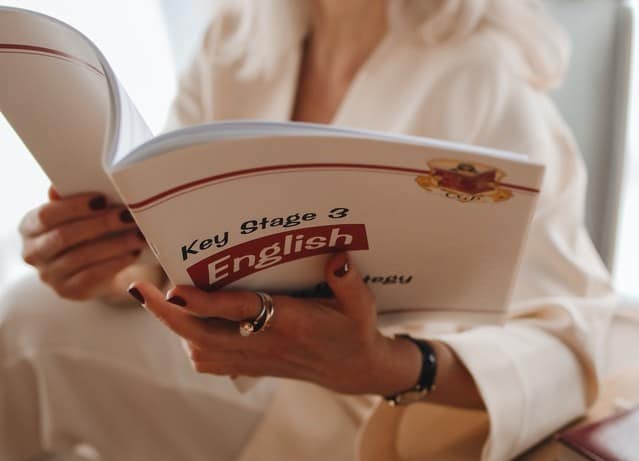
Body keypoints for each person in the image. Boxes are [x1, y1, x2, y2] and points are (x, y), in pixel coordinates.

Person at [0, 0, 617, 460]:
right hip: (222, 352)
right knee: (32, 307)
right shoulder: (236, 38)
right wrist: (106, 265)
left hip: (361, 415)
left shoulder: (483, 77)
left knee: (27, 329)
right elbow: (167, 249)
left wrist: (387, 364)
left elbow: (570, 346)